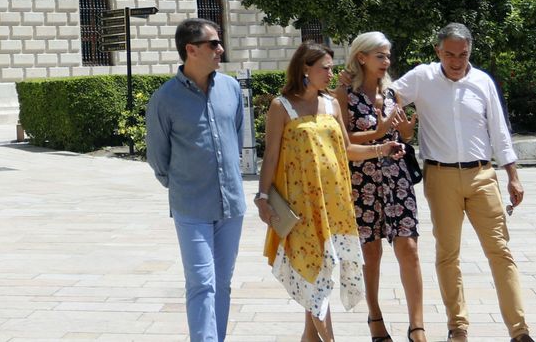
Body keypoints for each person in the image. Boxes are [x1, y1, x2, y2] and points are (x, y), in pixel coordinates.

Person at [392, 23, 535, 342]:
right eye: (449, 54)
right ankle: (458, 326)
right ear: (437, 51)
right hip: (440, 176)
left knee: (500, 250)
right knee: (447, 253)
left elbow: (499, 130)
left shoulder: (482, 81)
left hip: (483, 175)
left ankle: (519, 329)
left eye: (463, 54)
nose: (456, 61)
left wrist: (513, 175)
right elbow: (387, 100)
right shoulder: (422, 77)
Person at [257, 40, 396, 342]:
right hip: (301, 204)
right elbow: (270, 155)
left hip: (336, 202)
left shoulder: (332, 103)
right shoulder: (282, 106)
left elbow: (345, 149)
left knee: (325, 269)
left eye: (332, 69)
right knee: (316, 271)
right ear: (305, 69)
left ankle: (311, 337)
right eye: (325, 68)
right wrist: (263, 196)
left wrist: (381, 149)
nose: (331, 74)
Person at [145, 18, 244, 342]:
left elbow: (237, 136)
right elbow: (158, 157)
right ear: (191, 50)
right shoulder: (165, 98)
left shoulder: (230, 88)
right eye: (213, 44)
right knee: (201, 282)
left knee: (222, 282)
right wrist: (183, 184)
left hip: (231, 205)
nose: (221, 49)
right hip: (191, 206)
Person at [336, 32, 424, 342]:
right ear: (362, 57)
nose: (386, 62)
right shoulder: (344, 94)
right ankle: (375, 318)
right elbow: (343, 140)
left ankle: (417, 327)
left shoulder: (393, 94)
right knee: (371, 253)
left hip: (397, 178)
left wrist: (406, 132)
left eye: (388, 56)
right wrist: (382, 130)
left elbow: (402, 137)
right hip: (363, 180)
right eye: (380, 56)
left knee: (409, 247)